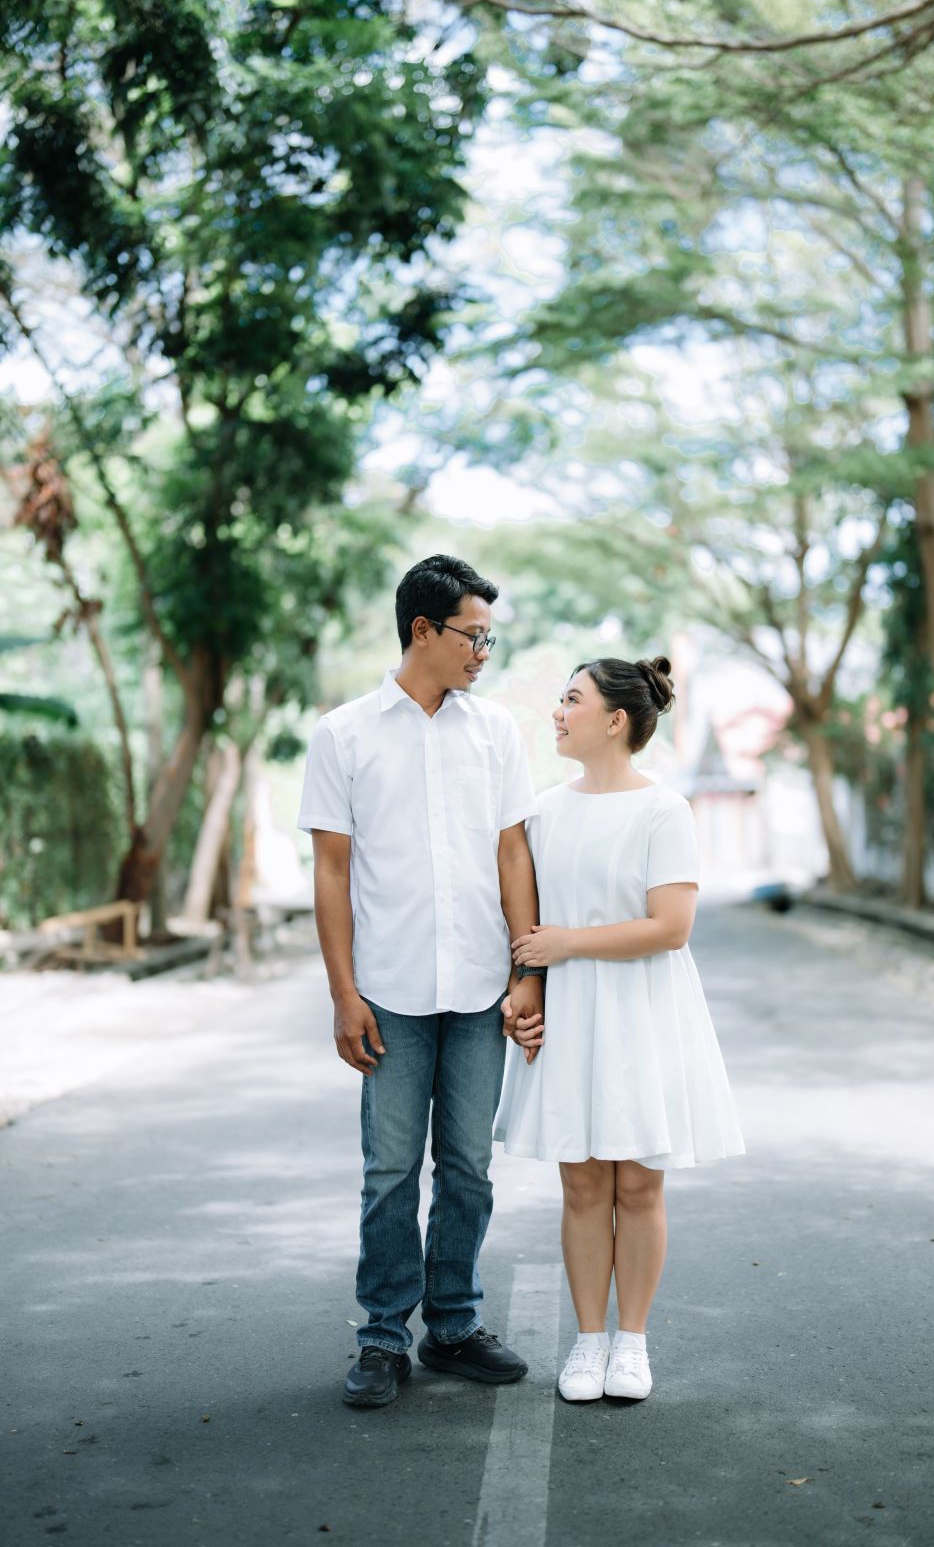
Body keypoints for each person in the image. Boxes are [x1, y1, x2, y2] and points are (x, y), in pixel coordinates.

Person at [298, 555, 545, 1408]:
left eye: (488, 637)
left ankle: (453, 1324)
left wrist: (524, 971)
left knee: (469, 1166)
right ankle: (381, 1336)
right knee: (391, 1171)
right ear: (422, 630)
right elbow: (332, 872)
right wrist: (344, 994)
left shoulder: (495, 731)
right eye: (473, 635)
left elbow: (512, 853)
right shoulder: (343, 735)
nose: (483, 652)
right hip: (390, 990)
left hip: (479, 986)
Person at [494, 656, 745, 1403]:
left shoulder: (663, 810)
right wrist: (526, 985)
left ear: (614, 720)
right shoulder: (542, 812)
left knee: (636, 1183)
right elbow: (524, 922)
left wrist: (565, 944)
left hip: (642, 1009)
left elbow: (671, 927)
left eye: (571, 699)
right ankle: (588, 1341)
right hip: (571, 1009)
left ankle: (631, 1342)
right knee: (580, 1181)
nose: (557, 711)